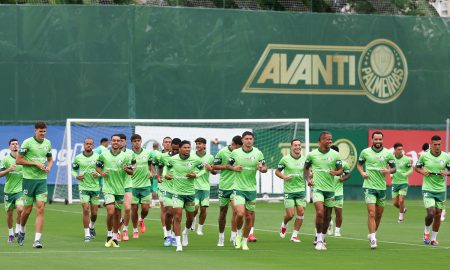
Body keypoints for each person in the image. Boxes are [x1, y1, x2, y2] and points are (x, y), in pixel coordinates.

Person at [227, 131, 267, 251]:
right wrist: (234, 168)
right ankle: (238, 235)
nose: (249, 140)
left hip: (251, 189)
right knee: (240, 213)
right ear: (243, 140)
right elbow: (228, 165)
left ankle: (244, 241)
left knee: (249, 217)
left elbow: (265, 168)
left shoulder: (258, 153)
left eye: (251, 138)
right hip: (238, 188)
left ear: (253, 140)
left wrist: (261, 168)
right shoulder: (235, 152)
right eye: (246, 139)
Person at [16, 121, 53, 248]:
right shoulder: (27, 142)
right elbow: (19, 160)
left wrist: (48, 167)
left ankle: (37, 240)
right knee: (26, 211)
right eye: (40, 131)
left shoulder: (47, 143)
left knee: (41, 208)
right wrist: (35, 164)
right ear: (35, 130)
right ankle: (22, 230)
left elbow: (50, 159)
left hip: (42, 180)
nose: (42, 133)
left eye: (44, 131)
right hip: (28, 180)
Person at [357, 131, 396, 249]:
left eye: (380, 139)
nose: (378, 141)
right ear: (372, 140)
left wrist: (388, 171)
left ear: (382, 140)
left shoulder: (388, 154)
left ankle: (372, 233)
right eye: (376, 139)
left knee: (379, 215)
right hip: (369, 186)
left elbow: (394, 168)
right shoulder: (365, 152)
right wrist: (362, 172)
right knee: (372, 213)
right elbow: (359, 164)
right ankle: (373, 239)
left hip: (382, 188)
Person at [165, 140, 206, 252]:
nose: (187, 149)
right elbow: (166, 168)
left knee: (190, 217)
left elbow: (204, 170)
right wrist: (166, 175)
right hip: (177, 193)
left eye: (189, 147)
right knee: (177, 217)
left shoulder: (195, 159)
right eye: (185, 147)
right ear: (179, 149)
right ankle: (178, 244)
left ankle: (186, 233)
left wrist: (195, 175)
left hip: (190, 193)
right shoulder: (173, 159)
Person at [304, 131, 342, 251]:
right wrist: (308, 179)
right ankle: (319, 239)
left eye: (331, 139)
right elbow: (305, 168)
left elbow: (340, 170)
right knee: (320, 212)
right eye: (327, 139)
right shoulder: (312, 155)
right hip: (317, 188)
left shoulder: (335, 155)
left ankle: (323, 238)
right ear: (320, 141)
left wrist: (335, 173)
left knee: (328, 216)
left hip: (330, 190)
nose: (330, 141)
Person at [96, 134, 134, 248]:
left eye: (118, 140)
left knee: (117, 214)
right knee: (110, 212)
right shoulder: (104, 155)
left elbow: (131, 172)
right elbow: (97, 166)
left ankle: (115, 235)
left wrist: (126, 169)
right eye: (114, 140)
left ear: (121, 142)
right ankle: (109, 234)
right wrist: (102, 173)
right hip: (108, 188)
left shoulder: (126, 156)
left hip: (120, 189)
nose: (116, 142)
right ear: (111, 142)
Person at [414, 135, 450, 246]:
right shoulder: (424, 156)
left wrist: (447, 173)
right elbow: (417, 167)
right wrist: (422, 171)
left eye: (439, 144)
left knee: (438, 215)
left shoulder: (446, 156)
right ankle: (426, 231)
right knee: (431, 213)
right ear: (431, 145)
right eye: (435, 145)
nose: (437, 147)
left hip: (440, 190)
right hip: (428, 189)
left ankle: (433, 239)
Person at [275, 139, 307, 243]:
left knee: (301, 212)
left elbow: (308, 173)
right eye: (295, 145)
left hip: (301, 189)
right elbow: (277, 172)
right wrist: (284, 177)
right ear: (291, 147)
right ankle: (284, 224)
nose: (297, 147)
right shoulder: (285, 159)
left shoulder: (305, 160)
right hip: (289, 190)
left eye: (299, 145)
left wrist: (310, 177)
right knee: (290, 215)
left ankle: (294, 235)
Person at [213, 135, 242, 247]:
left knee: (237, 212)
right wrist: (227, 167)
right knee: (223, 213)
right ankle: (221, 237)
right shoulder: (222, 152)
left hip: (237, 186)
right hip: (224, 186)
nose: (239, 149)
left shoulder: (241, 154)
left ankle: (234, 236)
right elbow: (214, 166)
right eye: (237, 147)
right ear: (233, 144)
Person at [72, 138, 100, 242]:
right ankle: (87, 233)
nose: (88, 145)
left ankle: (92, 226)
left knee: (95, 212)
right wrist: (76, 176)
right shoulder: (78, 158)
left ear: (93, 145)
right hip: (83, 187)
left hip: (95, 187)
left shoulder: (98, 157)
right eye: (87, 144)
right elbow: (73, 170)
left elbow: (103, 169)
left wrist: (98, 174)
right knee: (85, 209)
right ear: (84, 145)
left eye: (90, 144)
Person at [0, 139, 24, 243]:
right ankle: (10, 233)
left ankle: (18, 229)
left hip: (20, 190)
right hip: (8, 191)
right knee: (9, 214)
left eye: (16, 144)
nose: (15, 146)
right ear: (9, 147)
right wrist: (8, 170)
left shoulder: (23, 159)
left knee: (20, 209)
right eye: (12, 144)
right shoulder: (5, 159)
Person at [130, 134, 154, 238]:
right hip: (132, 186)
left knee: (145, 209)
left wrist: (152, 172)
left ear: (141, 141)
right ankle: (135, 229)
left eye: (139, 140)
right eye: (135, 141)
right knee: (134, 209)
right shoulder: (128, 154)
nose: (137, 142)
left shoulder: (147, 153)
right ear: (131, 142)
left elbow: (150, 165)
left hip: (145, 185)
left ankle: (141, 219)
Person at [159, 138, 181, 247]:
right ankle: (167, 235)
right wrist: (160, 176)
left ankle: (173, 235)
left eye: (178, 150)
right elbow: (159, 167)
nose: (176, 152)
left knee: (176, 215)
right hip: (166, 188)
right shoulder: (163, 157)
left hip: (179, 189)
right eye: (175, 149)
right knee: (169, 212)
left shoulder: (185, 159)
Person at [192, 137, 216, 235]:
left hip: (205, 186)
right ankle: (193, 219)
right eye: (197, 143)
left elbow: (214, 172)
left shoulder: (210, 157)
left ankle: (200, 228)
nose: (198, 145)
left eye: (200, 143)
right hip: (194, 185)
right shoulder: (192, 156)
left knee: (203, 209)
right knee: (195, 208)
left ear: (205, 145)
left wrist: (210, 169)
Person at [327, 145, 351, 237]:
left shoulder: (343, 164)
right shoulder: (326, 163)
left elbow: (348, 175)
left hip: (339, 192)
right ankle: (329, 224)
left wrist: (343, 178)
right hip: (328, 191)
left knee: (338, 212)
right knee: (327, 213)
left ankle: (337, 230)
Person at [118, 134, 135, 241]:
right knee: (116, 210)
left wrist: (128, 168)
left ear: (125, 142)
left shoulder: (130, 153)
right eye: (118, 141)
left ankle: (125, 228)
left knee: (128, 208)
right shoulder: (110, 154)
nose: (120, 143)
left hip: (127, 184)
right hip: (115, 186)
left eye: (122, 141)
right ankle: (117, 230)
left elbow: (133, 167)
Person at [391, 143, 412, 223]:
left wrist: (405, 174)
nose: (401, 151)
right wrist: (391, 174)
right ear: (395, 150)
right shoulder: (391, 158)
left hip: (403, 183)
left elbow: (411, 169)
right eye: (399, 149)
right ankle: (403, 209)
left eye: (401, 149)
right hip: (395, 183)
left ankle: (401, 216)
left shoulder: (406, 159)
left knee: (401, 200)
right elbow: (389, 167)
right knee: (395, 203)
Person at [150, 142, 161, 208]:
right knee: (155, 188)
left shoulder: (151, 153)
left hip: (151, 173)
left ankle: (153, 203)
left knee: (152, 188)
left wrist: (150, 172)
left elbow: (150, 164)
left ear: (153, 146)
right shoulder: (160, 153)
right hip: (157, 173)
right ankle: (155, 203)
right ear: (158, 146)